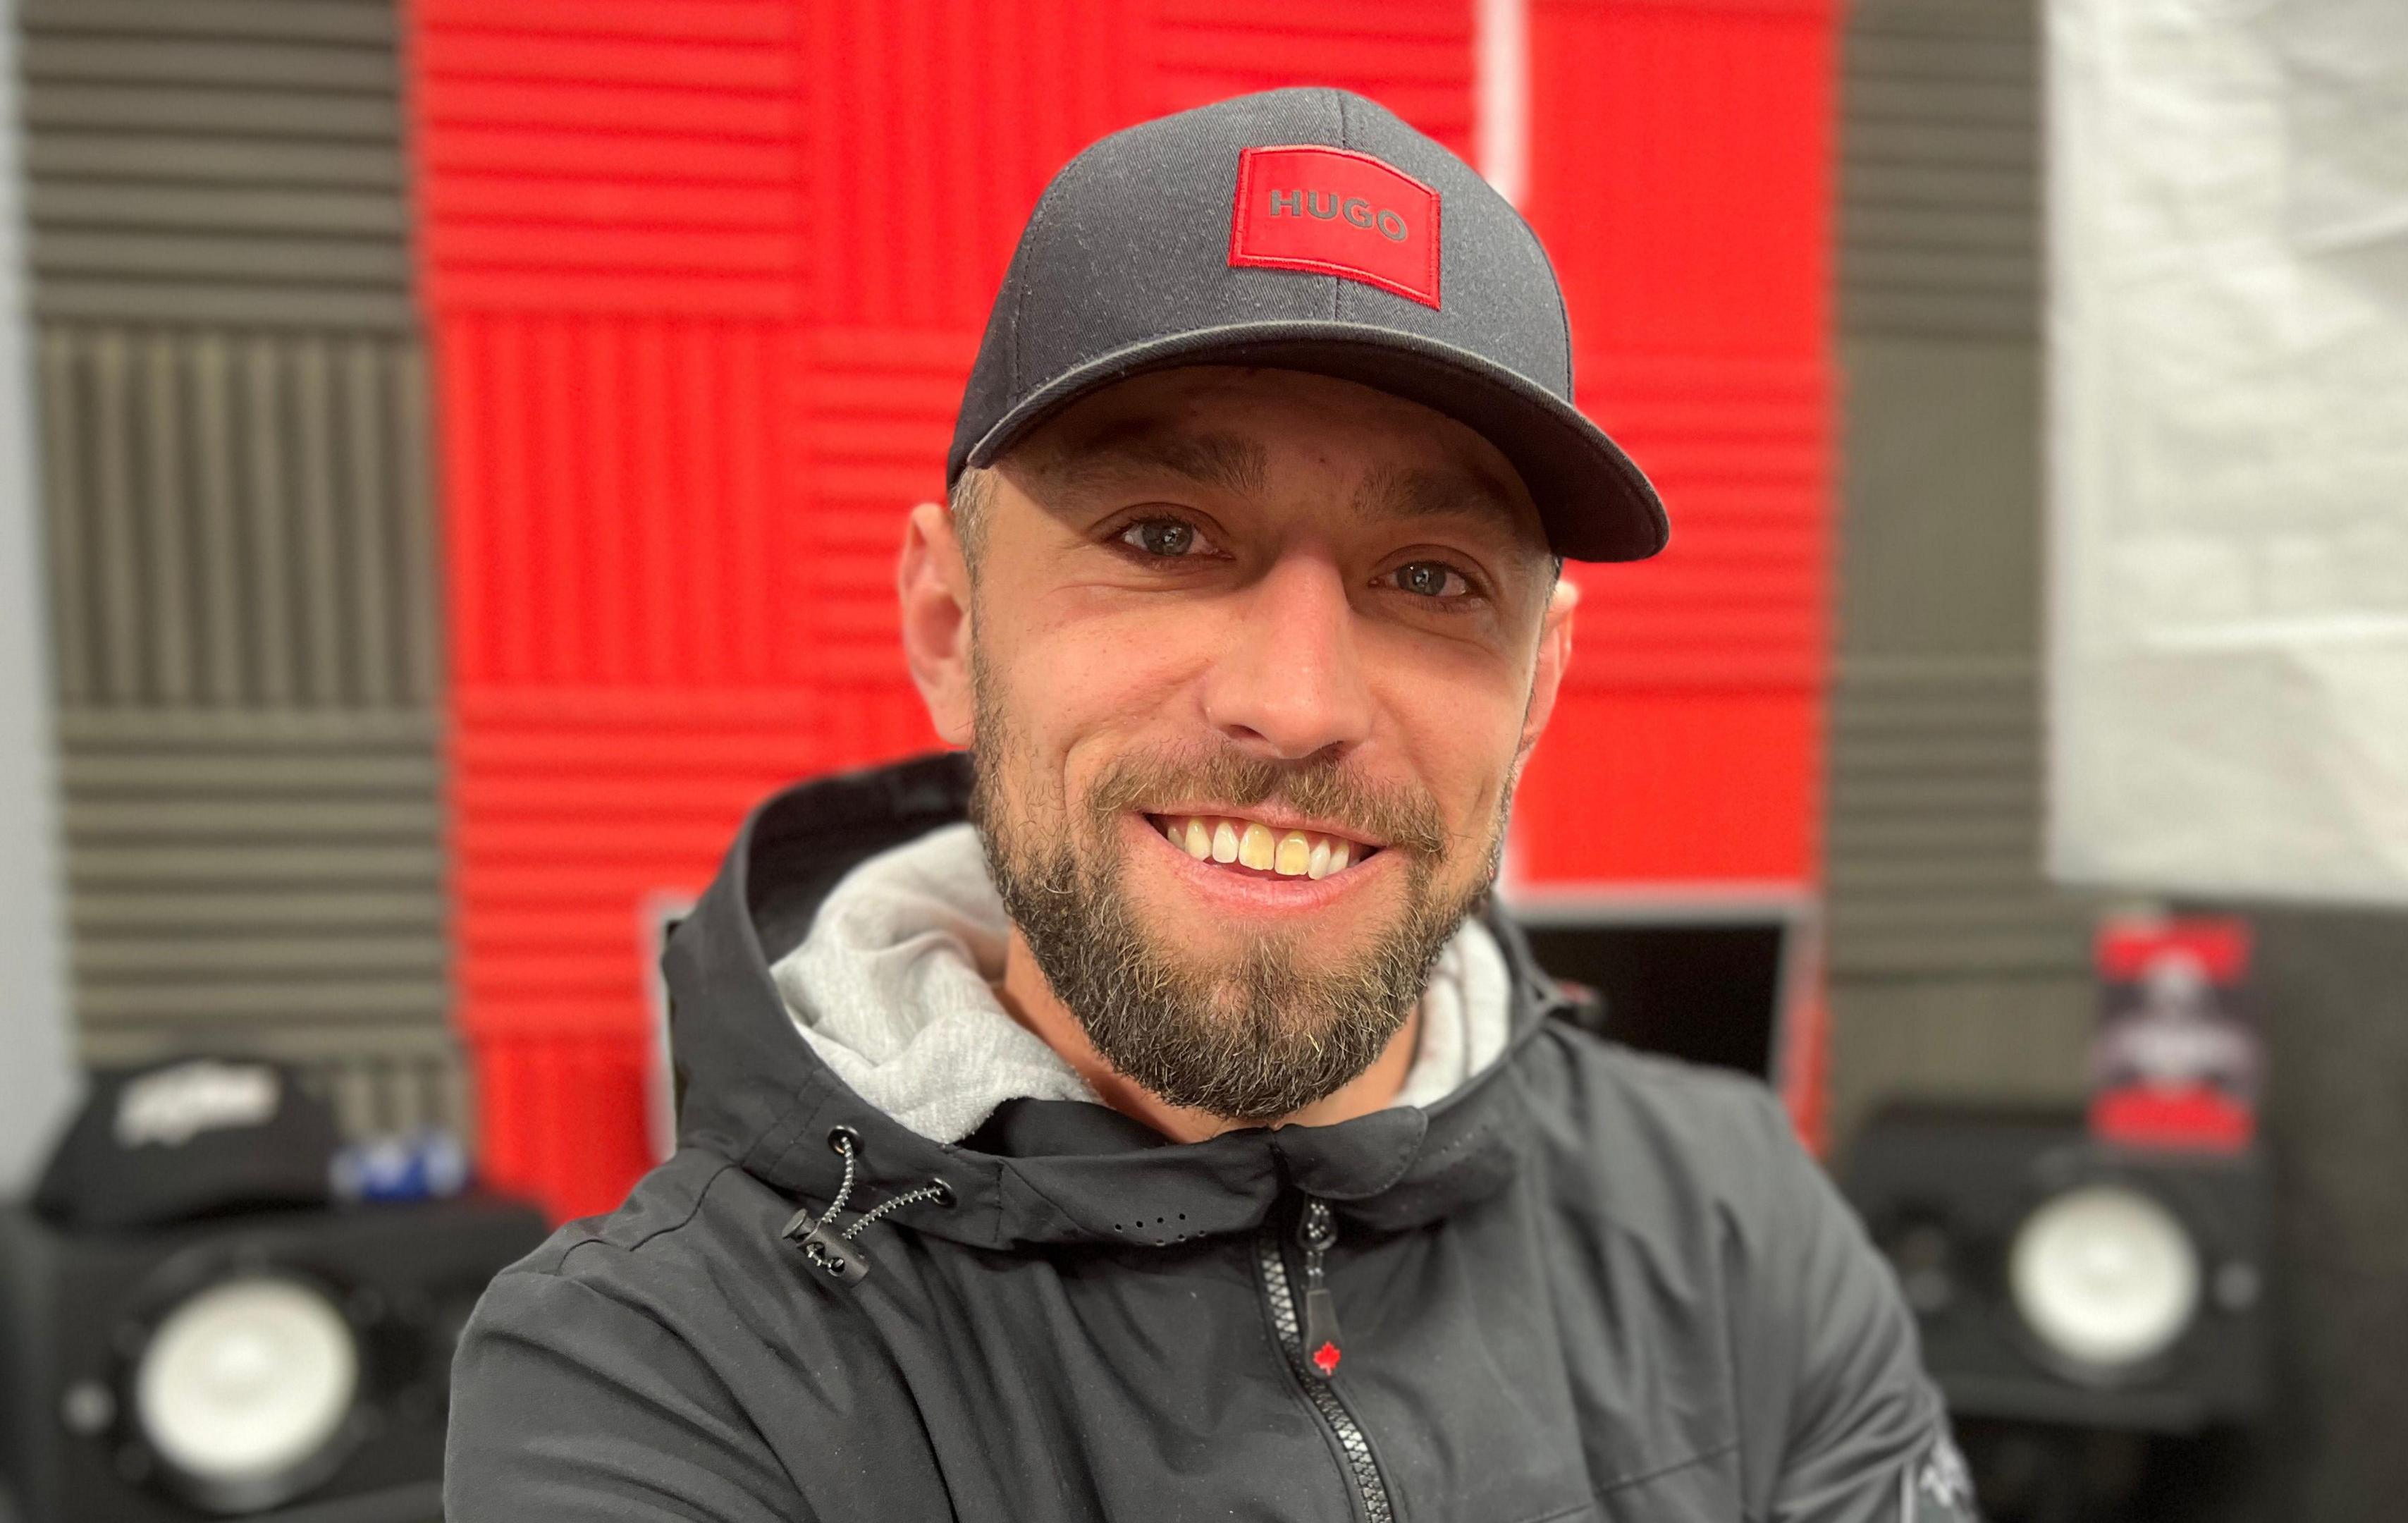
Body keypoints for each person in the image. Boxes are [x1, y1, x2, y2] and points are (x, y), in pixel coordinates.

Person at [445, 87, 1977, 1523]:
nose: (1298, 701)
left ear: (1538, 691)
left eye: (1431, 578)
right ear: (950, 630)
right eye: (1167, 534)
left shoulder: (1732, 1214)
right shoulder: (659, 1371)